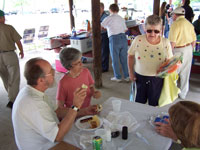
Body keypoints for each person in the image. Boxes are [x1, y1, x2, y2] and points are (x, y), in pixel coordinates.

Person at [12, 57, 98, 150]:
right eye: (51, 72)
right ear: (41, 80)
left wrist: (84, 111)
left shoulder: (34, 91)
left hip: (47, 139)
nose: (54, 73)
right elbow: (58, 136)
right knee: (85, 144)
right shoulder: (33, 103)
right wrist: (75, 106)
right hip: (43, 146)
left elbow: (58, 111)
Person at [128, 15, 173, 106]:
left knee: (154, 104)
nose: (152, 34)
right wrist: (131, 73)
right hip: (139, 78)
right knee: (138, 104)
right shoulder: (138, 39)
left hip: (157, 79)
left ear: (161, 30)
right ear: (145, 29)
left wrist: (165, 70)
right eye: (149, 31)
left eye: (156, 31)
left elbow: (169, 61)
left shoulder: (165, 42)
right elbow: (130, 56)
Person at [168, 7, 196, 99]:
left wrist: (169, 54)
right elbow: (194, 40)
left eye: (172, 15)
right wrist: (190, 50)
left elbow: (172, 42)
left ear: (175, 15)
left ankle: (173, 92)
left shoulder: (175, 24)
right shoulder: (189, 24)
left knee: (174, 72)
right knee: (185, 72)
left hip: (178, 50)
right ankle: (183, 94)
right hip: (188, 49)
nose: (172, 17)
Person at [0, 10, 24, 109]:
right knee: (14, 77)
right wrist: (21, 51)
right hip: (9, 54)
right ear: (1, 18)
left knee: (4, 77)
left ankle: (11, 96)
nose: (4, 19)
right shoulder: (8, 28)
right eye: (3, 17)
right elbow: (18, 41)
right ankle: (13, 100)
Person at [101, 3, 129, 82]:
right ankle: (127, 76)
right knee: (124, 58)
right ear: (118, 10)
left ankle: (118, 77)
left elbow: (102, 26)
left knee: (115, 59)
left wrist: (109, 28)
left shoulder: (109, 18)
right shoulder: (121, 18)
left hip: (114, 38)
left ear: (110, 10)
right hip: (123, 38)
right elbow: (125, 29)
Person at [100, 2, 110, 73]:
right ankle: (101, 65)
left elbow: (108, 27)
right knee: (100, 51)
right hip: (99, 35)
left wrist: (102, 28)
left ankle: (104, 67)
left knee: (104, 51)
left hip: (105, 35)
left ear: (103, 8)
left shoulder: (106, 16)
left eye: (99, 8)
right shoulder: (97, 15)